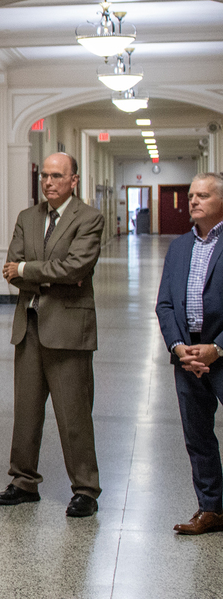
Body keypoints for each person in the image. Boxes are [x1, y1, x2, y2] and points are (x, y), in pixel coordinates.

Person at [0, 152, 104, 518]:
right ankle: (23, 481)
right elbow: (12, 269)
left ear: (74, 180)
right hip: (29, 326)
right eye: (45, 175)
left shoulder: (89, 218)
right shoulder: (28, 217)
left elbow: (77, 266)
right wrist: (41, 272)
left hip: (69, 330)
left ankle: (86, 489)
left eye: (58, 176)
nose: (49, 182)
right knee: (25, 411)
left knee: (73, 414)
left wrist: (30, 268)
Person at [155, 172, 223, 535]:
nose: (194, 201)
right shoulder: (180, 246)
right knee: (197, 436)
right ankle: (210, 509)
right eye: (192, 195)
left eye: (204, 196)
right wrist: (179, 346)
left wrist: (217, 347)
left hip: (220, 351)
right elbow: (165, 304)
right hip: (187, 355)